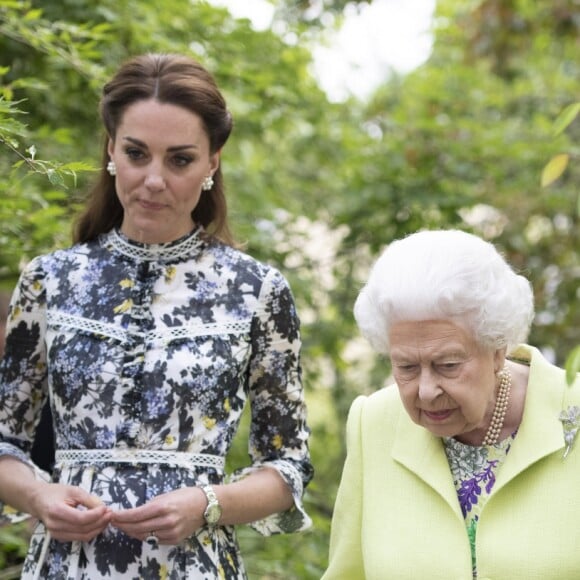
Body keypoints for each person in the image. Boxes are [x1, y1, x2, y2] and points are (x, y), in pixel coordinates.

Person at [0, 53, 313, 579]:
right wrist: (39, 495)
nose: (152, 179)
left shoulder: (257, 290)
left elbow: (288, 467)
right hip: (66, 567)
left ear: (212, 161)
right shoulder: (49, 280)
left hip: (196, 567)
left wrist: (208, 504)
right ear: (110, 149)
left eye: (180, 159)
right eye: (136, 153)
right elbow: (4, 441)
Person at [323, 229, 580, 579]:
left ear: (497, 349)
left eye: (448, 365)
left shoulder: (572, 410)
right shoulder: (374, 423)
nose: (426, 391)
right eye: (407, 367)